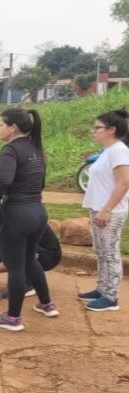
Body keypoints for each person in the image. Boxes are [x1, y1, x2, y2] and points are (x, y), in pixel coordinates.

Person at [0, 108, 57, 332]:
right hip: (38, 212)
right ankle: (46, 304)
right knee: (30, 260)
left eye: (1, 125)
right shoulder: (35, 147)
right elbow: (40, 183)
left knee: (15, 266)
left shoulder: (10, 149)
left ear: (12, 128)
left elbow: (4, 180)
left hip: (16, 215)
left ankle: (13, 318)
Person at [79, 108, 129, 312]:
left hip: (111, 212)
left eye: (98, 128)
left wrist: (107, 209)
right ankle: (102, 288)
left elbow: (124, 183)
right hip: (99, 209)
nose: (94, 131)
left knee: (110, 253)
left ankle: (111, 297)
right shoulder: (108, 151)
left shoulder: (119, 151)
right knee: (101, 252)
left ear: (111, 130)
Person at [0, 224, 62, 292]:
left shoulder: (14, 219)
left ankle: (29, 281)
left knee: (10, 252)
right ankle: (21, 275)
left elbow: (14, 256)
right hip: (26, 249)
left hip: (48, 256)